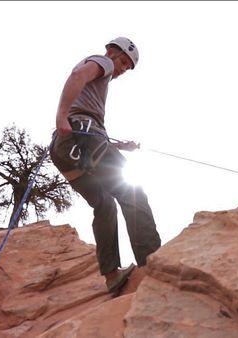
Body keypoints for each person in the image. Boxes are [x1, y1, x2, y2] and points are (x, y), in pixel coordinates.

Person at [50, 37, 161, 294]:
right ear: (112, 52)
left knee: (103, 203)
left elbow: (88, 121)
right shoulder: (103, 62)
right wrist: (61, 115)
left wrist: (120, 146)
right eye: (123, 61)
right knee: (131, 191)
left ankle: (112, 276)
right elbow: (77, 74)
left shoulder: (96, 88)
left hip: (64, 147)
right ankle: (153, 261)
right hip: (81, 133)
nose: (122, 68)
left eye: (127, 67)